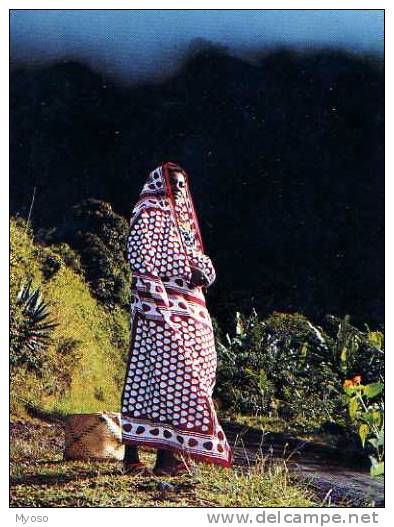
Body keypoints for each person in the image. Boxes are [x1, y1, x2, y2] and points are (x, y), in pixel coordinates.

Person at [120, 161, 232, 476]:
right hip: (160, 309)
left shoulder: (183, 222)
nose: (181, 190)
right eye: (176, 184)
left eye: (184, 185)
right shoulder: (150, 213)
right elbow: (142, 259)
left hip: (191, 311)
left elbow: (204, 264)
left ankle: (170, 457)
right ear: (161, 184)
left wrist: (200, 271)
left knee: (196, 373)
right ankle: (148, 457)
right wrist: (179, 278)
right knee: (162, 379)